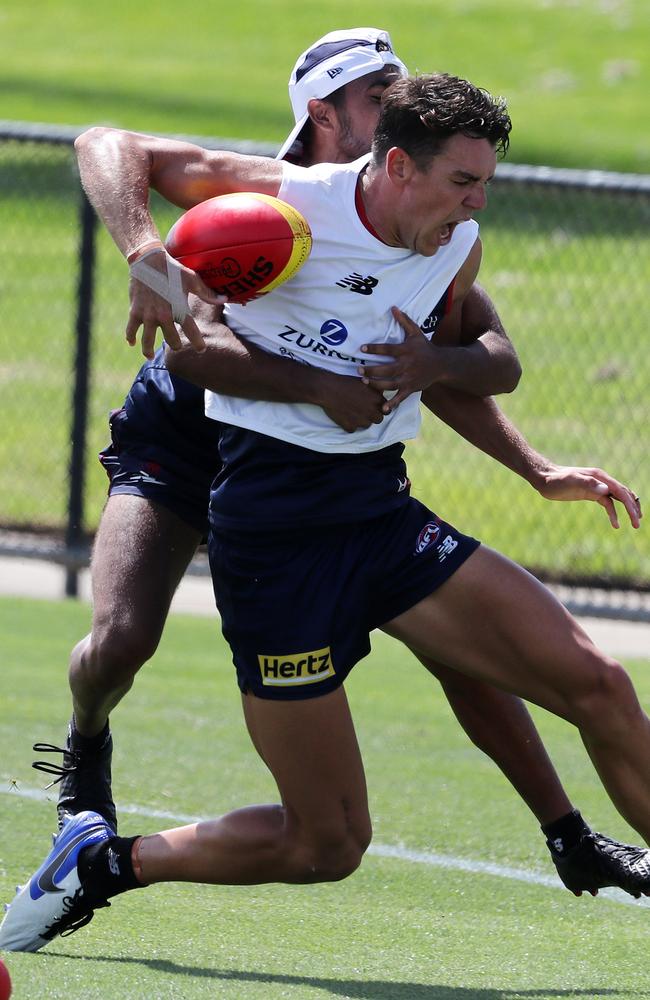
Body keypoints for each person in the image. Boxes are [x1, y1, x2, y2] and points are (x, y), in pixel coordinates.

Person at [3, 70, 649, 954]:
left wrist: (463, 397)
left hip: (380, 516)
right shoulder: (284, 206)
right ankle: (102, 865)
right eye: (464, 181)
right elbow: (105, 144)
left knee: (601, 687)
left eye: (487, 180)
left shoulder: (455, 245)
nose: (479, 200)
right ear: (395, 166)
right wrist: (147, 252)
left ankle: (573, 834)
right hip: (274, 540)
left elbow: (484, 359)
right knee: (328, 843)